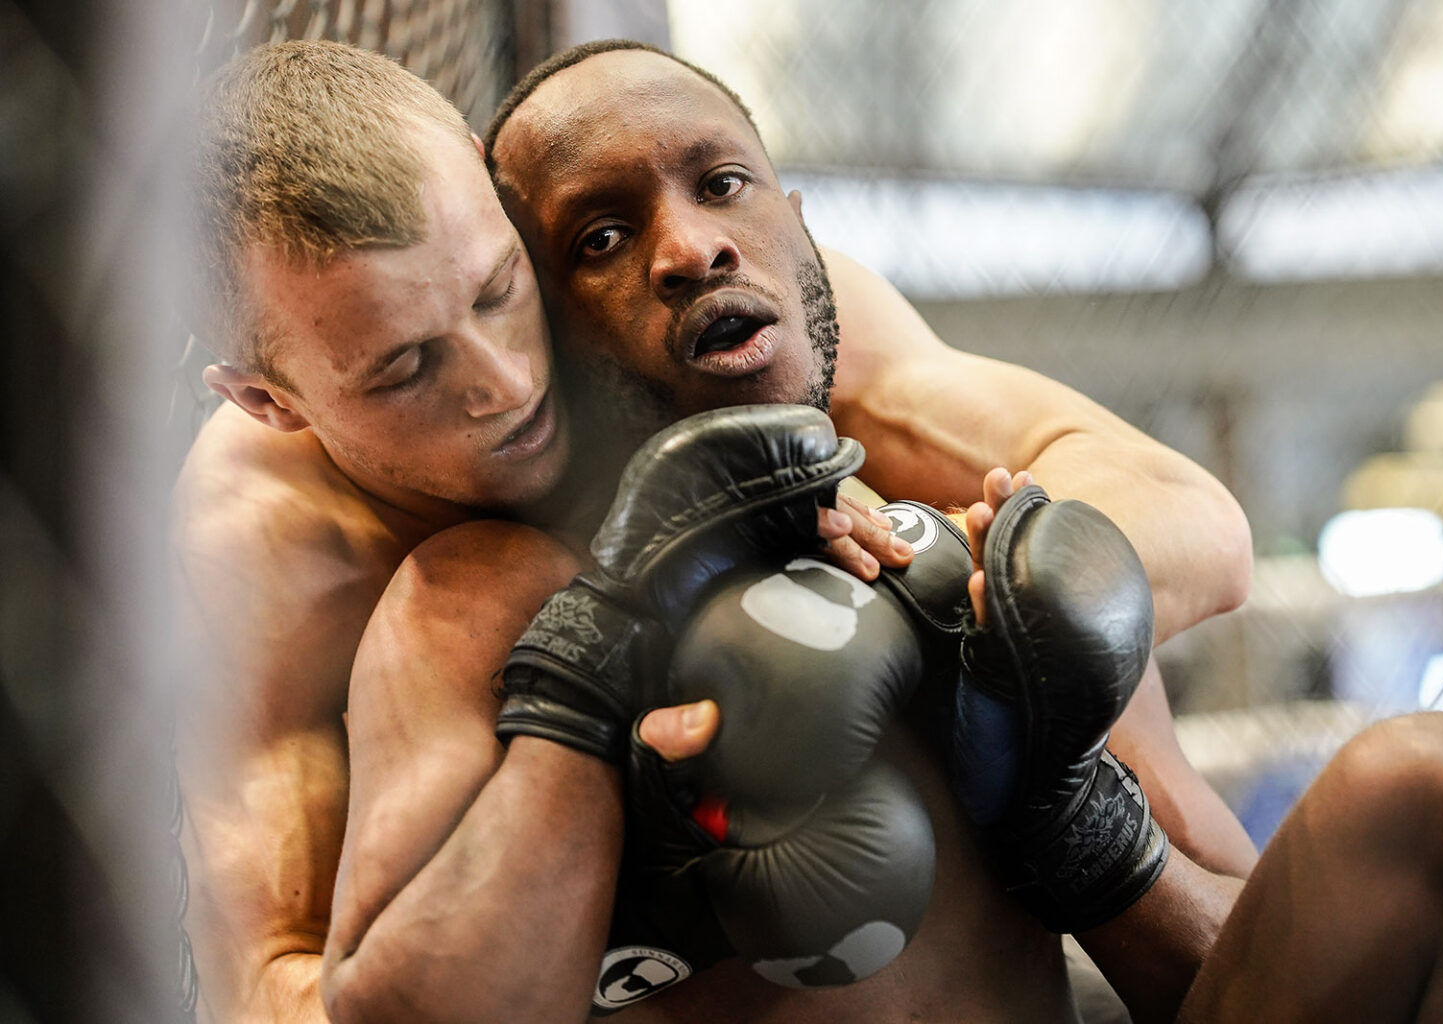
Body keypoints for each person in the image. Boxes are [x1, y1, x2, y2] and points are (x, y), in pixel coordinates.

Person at [174, 39, 1256, 1024]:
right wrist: (615, 898)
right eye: (405, 367)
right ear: (271, 401)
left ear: (484, 192)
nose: (503, 384)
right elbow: (268, 986)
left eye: (502, 291)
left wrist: (930, 596)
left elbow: (1195, 525)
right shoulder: (274, 545)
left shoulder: (730, 323)